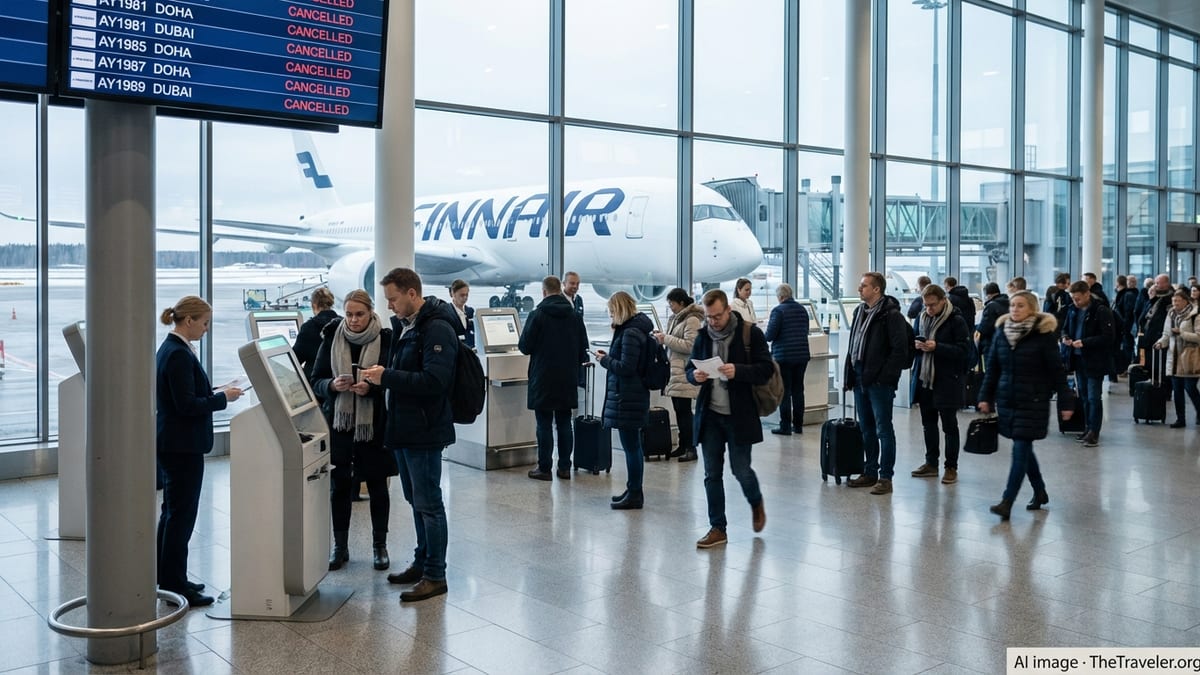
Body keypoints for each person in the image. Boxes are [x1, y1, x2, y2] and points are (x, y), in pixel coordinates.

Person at [361, 268, 460, 603]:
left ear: (412, 294)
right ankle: (421, 562)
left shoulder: (437, 329)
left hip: (424, 430)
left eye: (393, 298)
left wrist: (386, 376)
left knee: (429, 504)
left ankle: (436, 574)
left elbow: (434, 382)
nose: (389, 306)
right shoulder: (407, 327)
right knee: (416, 501)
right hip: (404, 428)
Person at [156, 296, 242, 608]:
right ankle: (176, 584)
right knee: (181, 516)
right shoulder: (178, 354)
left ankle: (167, 576)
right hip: (182, 446)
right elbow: (187, 405)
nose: (206, 329)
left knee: (171, 512)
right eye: (204, 323)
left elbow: (187, 394)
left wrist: (216, 390)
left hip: (173, 443)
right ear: (189, 320)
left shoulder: (171, 349)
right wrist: (224, 399)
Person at [310, 290, 396, 572]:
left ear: (371, 312)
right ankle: (340, 546)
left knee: (376, 484)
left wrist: (371, 388)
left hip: (373, 426)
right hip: (341, 424)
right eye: (349, 314)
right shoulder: (333, 336)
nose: (354, 320)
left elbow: (392, 380)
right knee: (340, 486)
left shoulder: (385, 338)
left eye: (359, 314)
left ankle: (379, 546)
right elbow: (316, 380)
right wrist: (333, 386)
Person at [686, 289, 775, 548]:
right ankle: (717, 527)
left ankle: (756, 501)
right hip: (710, 415)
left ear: (727, 310)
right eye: (709, 317)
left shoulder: (750, 333)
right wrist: (696, 376)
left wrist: (739, 371)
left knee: (741, 470)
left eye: (716, 316)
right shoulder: (703, 336)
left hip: (739, 415)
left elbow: (766, 369)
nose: (713, 322)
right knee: (711, 473)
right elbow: (691, 368)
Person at [978, 291, 1074, 520]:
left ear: (1032, 309)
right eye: (1012, 305)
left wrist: (1066, 401)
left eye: (1020, 306)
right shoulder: (1002, 332)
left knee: (1020, 448)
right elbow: (992, 369)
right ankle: (1039, 491)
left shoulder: (1043, 335)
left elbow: (1057, 372)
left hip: (1033, 401)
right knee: (1024, 448)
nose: (1014, 309)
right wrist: (985, 396)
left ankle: (1007, 501)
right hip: (1008, 400)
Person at [844, 272, 909, 495]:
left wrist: (885, 376)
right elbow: (855, 343)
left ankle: (885, 477)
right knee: (866, 427)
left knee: (883, 428)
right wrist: (850, 375)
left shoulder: (891, 315)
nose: (859, 289)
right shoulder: (859, 312)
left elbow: (899, 350)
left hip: (880, 380)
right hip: (861, 374)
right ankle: (870, 471)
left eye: (863, 286)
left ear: (876, 289)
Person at [519, 275, 589, 480]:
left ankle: (544, 468)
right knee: (565, 422)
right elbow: (583, 347)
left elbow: (524, 347)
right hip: (567, 377)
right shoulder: (574, 316)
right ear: (560, 290)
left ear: (543, 292)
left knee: (544, 423)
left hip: (543, 377)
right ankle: (565, 467)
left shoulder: (537, 315)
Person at [594, 291, 652, 510]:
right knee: (632, 445)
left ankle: (635, 492)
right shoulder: (636, 329)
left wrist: (604, 359)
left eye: (611, 312)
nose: (610, 316)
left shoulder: (630, 333)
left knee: (631, 447)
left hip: (628, 396)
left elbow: (626, 367)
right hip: (633, 395)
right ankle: (633, 488)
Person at [910, 284, 971, 484]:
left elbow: (964, 352)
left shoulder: (956, 320)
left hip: (947, 380)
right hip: (925, 379)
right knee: (928, 424)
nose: (929, 309)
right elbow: (913, 340)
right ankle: (931, 463)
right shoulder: (921, 318)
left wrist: (938, 347)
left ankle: (951, 466)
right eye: (926, 305)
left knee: (949, 426)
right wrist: (917, 346)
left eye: (933, 305)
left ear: (944, 300)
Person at [1062, 281, 1114, 447]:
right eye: (1073, 299)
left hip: (1094, 360)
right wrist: (1065, 337)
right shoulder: (1072, 310)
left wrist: (1084, 342)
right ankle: (1087, 428)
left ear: (1087, 294)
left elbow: (1108, 337)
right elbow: (1065, 328)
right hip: (1077, 359)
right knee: (1084, 397)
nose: (1075, 302)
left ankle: (1094, 431)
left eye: (1078, 298)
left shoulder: (1101, 311)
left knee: (1093, 397)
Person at [655, 287, 703, 462]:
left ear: (681, 303)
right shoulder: (677, 319)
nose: (671, 307)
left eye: (672, 303)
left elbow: (691, 345)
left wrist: (665, 339)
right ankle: (683, 445)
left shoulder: (692, 320)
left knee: (684, 412)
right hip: (676, 371)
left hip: (684, 371)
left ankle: (691, 448)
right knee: (679, 410)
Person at [764, 283, 811, 436]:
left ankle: (785, 425)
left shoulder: (778, 311)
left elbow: (770, 335)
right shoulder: (802, 310)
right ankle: (798, 425)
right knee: (798, 390)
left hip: (784, 356)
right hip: (802, 355)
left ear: (781, 297)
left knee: (784, 392)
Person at [1154, 289, 1200, 428]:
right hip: (1173, 357)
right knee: (1177, 390)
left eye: (1178, 301)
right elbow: (1166, 334)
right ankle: (1181, 419)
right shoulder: (1171, 314)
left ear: (1186, 301)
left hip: (1190, 358)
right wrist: (1161, 342)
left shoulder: (1195, 315)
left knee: (1190, 388)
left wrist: (1182, 333)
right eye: (1173, 301)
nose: (1175, 304)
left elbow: (1198, 337)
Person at [293, 287, 338, 378]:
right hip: (338, 381)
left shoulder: (308, 328)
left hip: (315, 383)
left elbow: (295, 359)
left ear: (314, 305)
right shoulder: (341, 324)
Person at [1137, 274, 1175, 373]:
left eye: (1158, 283)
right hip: (1147, 335)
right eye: (1155, 283)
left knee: (1159, 366)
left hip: (1159, 336)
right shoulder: (1155, 297)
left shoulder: (1170, 298)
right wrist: (1151, 299)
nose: (1156, 285)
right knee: (1147, 364)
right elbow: (1144, 315)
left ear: (1166, 284)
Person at [976, 282, 1009, 365]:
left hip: (990, 343)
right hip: (1005, 343)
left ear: (988, 295)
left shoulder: (991, 306)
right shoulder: (1008, 303)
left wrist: (978, 329)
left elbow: (985, 327)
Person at [1114, 274, 1139, 369]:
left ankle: (1126, 367)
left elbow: (1128, 312)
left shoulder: (1127, 295)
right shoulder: (1130, 294)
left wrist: (1124, 325)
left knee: (1127, 346)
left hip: (1126, 326)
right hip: (1126, 326)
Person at [448, 279, 476, 350]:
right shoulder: (447, 312)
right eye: (462, 295)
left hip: (470, 351)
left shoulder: (470, 311)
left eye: (467, 295)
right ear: (453, 294)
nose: (465, 298)